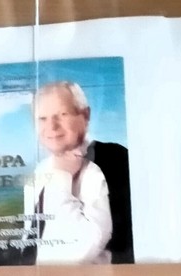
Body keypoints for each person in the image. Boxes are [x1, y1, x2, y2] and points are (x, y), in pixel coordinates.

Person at [22, 81, 134, 265]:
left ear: (85, 115)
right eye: (42, 118)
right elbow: (31, 239)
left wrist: (61, 178)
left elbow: (84, 249)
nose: (52, 126)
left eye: (62, 114)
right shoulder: (40, 170)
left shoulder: (116, 160)